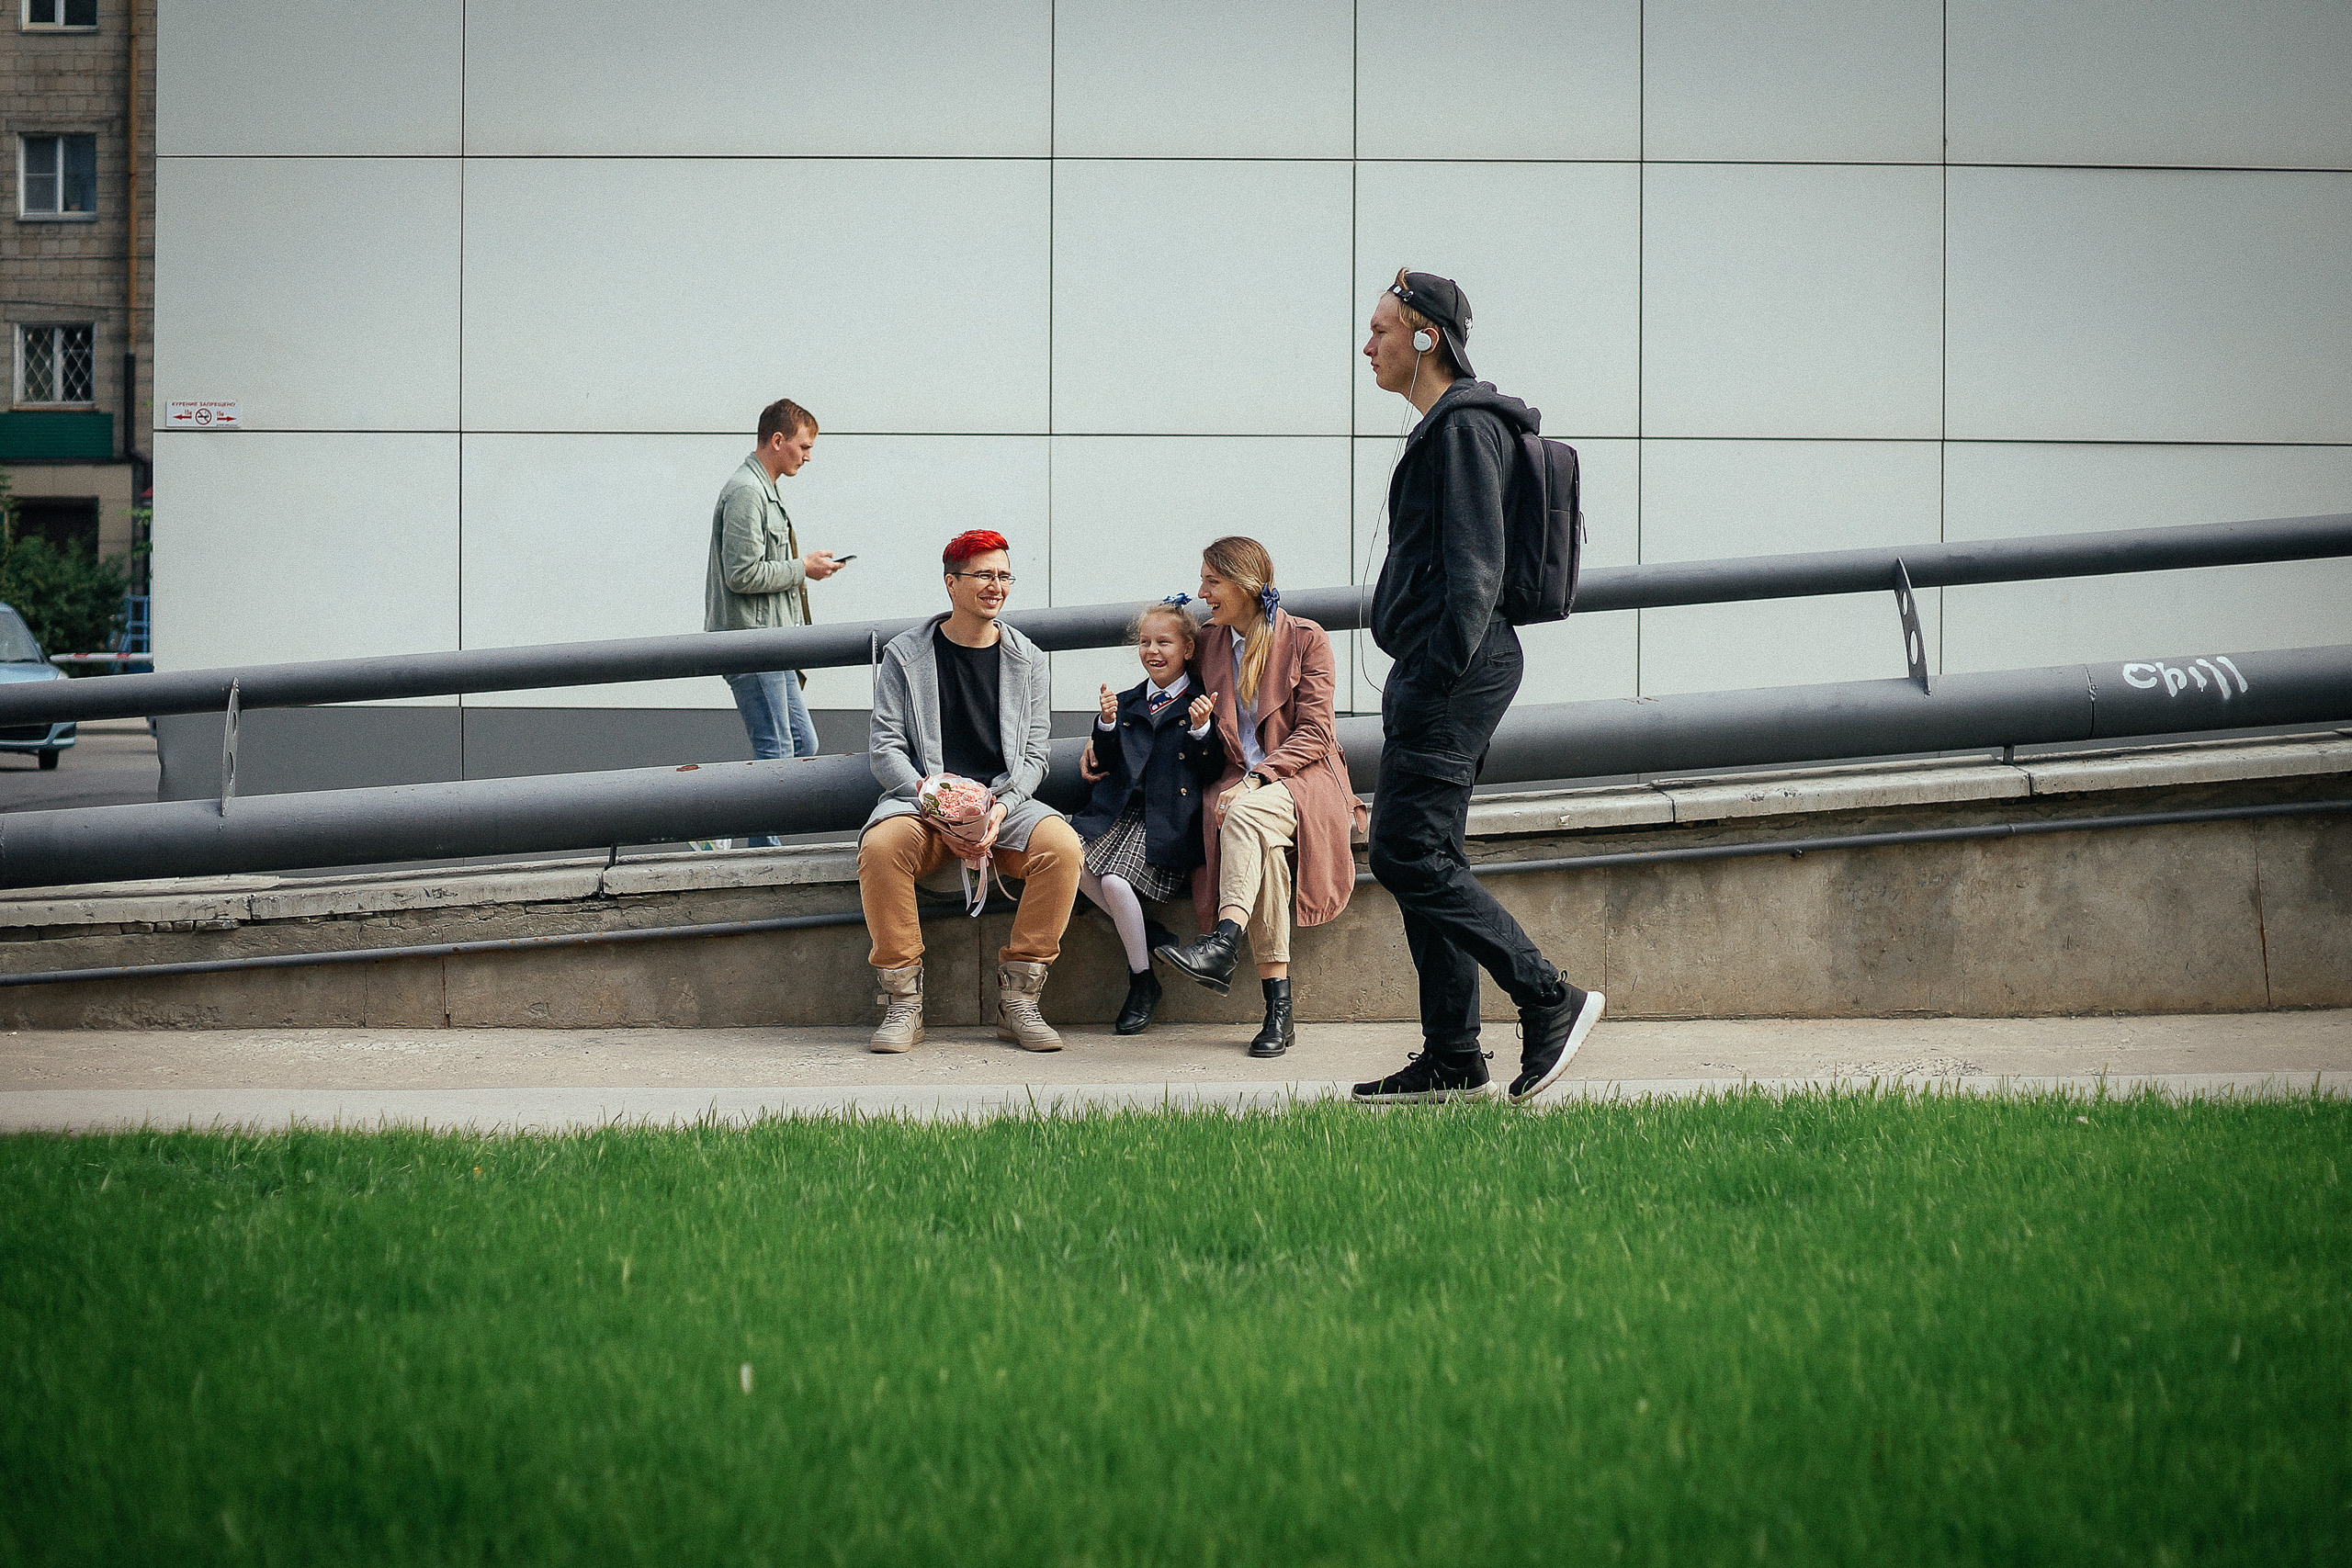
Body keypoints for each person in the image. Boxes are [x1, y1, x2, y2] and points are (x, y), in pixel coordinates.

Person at [1352, 269, 1606, 1106]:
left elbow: (1476, 570)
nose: (1369, 346)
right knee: (1431, 851)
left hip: (1454, 667)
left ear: (1426, 336)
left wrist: (1433, 671)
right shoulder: (1454, 427)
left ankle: (1548, 997)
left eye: (1382, 330)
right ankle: (1454, 1054)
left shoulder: (1463, 429)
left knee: (1403, 850)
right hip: (1450, 664)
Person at [858, 530, 1082, 1055]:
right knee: (881, 847)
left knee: (1063, 848)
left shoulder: (1029, 659)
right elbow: (885, 748)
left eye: (1003, 575)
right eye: (983, 575)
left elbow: (1035, 757)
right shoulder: (905, 656)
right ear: (951, 583)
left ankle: (1020, 999)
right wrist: (936, 802)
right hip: (923, 803)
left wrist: (999, 811)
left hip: (1003, 804)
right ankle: (902, 1002)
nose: (996, 586)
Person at [1149, 537, 1363, 1058]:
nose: (1202, 593)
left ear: (1244, 584)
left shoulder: (1305, 639)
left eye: (1212, 581)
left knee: (1241, 813)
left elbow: (1316, 733)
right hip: (1239, 788)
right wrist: (1104, 734)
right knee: (1260, 846)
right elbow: (1164, 688)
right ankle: (1278, 1014)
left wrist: (1257, 779)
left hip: (1302, 781)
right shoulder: (1213, 643)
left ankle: (1223, 943)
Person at [1069, 600, 1225, 1035]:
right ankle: (1148, 932)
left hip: (1165, 822)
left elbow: (1211, 770)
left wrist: (1200, 731)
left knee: (1117, 883)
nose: (1152, 650)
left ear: (1188, 648)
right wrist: (1103, 725)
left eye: (1164, 642)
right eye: (1144, 642)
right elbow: (1105, 763)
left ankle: (1142, 980)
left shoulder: (1201, 701)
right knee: (1067, 857)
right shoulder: (1127, 701)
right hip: (1116, 815)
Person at [705, 397, 845, 847]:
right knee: (777, 751)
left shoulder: (763, 488)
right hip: (752, 644)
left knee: (802, 747)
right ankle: (757, 855)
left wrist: (805, 567)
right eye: (803, 446)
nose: (807, 456)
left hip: (774, 645)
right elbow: (741, 574)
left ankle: (722, 833)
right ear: (778, 440)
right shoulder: (747, 492)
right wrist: (802, 567)